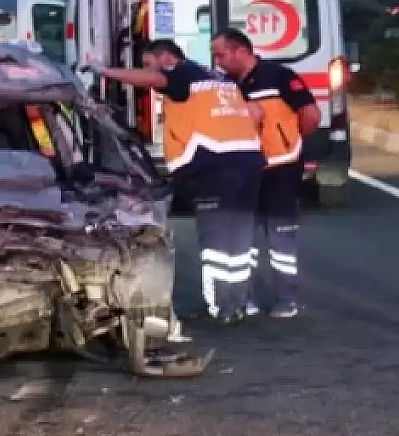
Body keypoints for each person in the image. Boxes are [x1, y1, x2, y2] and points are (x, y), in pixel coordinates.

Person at [80, 39, 264, 324]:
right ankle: (239, 303)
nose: (149, 72)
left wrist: (104, 71)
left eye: (148, 63)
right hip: (249, 161)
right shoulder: (218, 79)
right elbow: (256, 113)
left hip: (214, 167)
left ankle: (220, 309)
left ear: (166, 58)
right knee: (238, 238)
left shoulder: (183, 74)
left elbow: (153, 79)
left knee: (215, 240)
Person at [211, 28, 321, 319]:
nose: (217, 61)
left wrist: (291, 143)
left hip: (281, 167)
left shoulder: (279, 76)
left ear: (241, 51)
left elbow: (310, 115)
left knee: (280, 235)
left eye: (220, 54)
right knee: (242, 236)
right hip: (244, 169)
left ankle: (287, 298)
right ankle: (244, 298)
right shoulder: (225, 84)